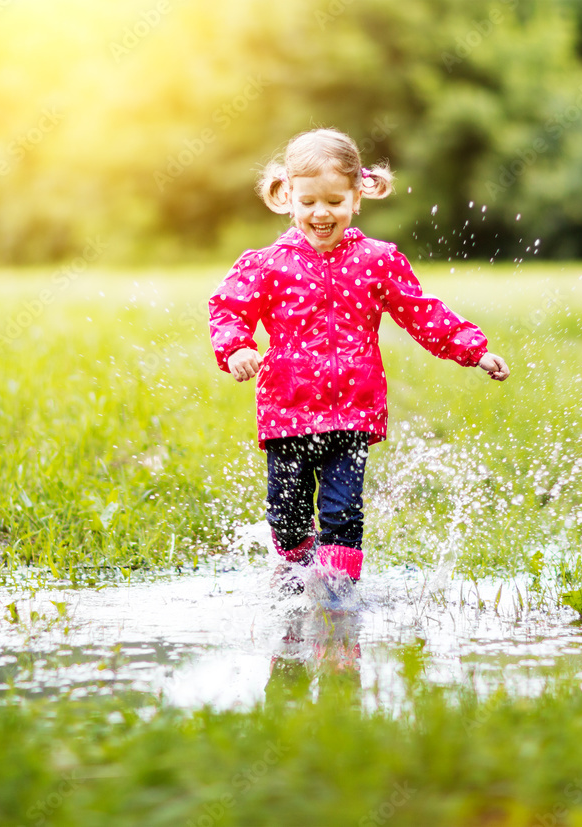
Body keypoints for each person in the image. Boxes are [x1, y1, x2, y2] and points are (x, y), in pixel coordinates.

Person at [208, 128, 509, 591]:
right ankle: (293, 574)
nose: (320, 213)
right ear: (289, 197)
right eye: (308, 202)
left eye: (333, 200)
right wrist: (237, 348)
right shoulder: (267, 265)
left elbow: (421, 311)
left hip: (353, 412)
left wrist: (474, 350)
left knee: (342, 512)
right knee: (286, 514)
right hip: (287, 412)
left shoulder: (377, 261)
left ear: (356, 196)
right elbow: (229, 307)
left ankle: (335, 602)